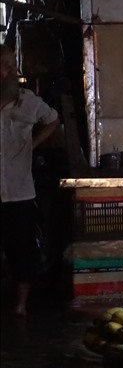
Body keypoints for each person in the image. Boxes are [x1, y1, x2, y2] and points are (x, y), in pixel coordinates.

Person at [1, 44, 60, 318]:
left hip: (19, 191)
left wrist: (33, 144)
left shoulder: (27, 101)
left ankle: (20, 305)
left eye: (13, 65)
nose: (11, 72)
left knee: (21, 250)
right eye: (4, 66)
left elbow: (53, 120)